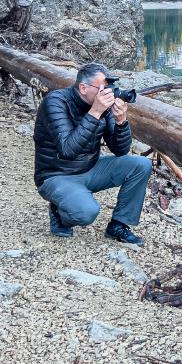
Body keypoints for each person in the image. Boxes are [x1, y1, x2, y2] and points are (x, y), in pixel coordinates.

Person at [33, 62, 152, 244]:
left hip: (90, 167)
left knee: (141, 165)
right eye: (103, 88)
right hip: (56, 175)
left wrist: (121, 122)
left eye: (109, 87)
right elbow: (68, 150)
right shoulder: (55, 102)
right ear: (83, 88)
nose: (108, 93)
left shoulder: (103, 108)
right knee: (86, 213)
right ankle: (59, 212)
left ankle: (118, 225)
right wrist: (95, 111)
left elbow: (120, 150)